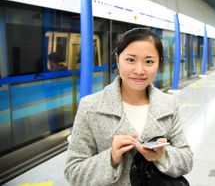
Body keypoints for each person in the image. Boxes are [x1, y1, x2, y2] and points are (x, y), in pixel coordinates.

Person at [64, 28, 193, 185]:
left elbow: (186, 160)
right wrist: (111, 158)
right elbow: (73, 172)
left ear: (159, 63)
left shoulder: (168, 104)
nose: (139, 70)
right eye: (131, 60)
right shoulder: (90, 107)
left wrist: (162, 155)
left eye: (149, 61)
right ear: (118, 60)